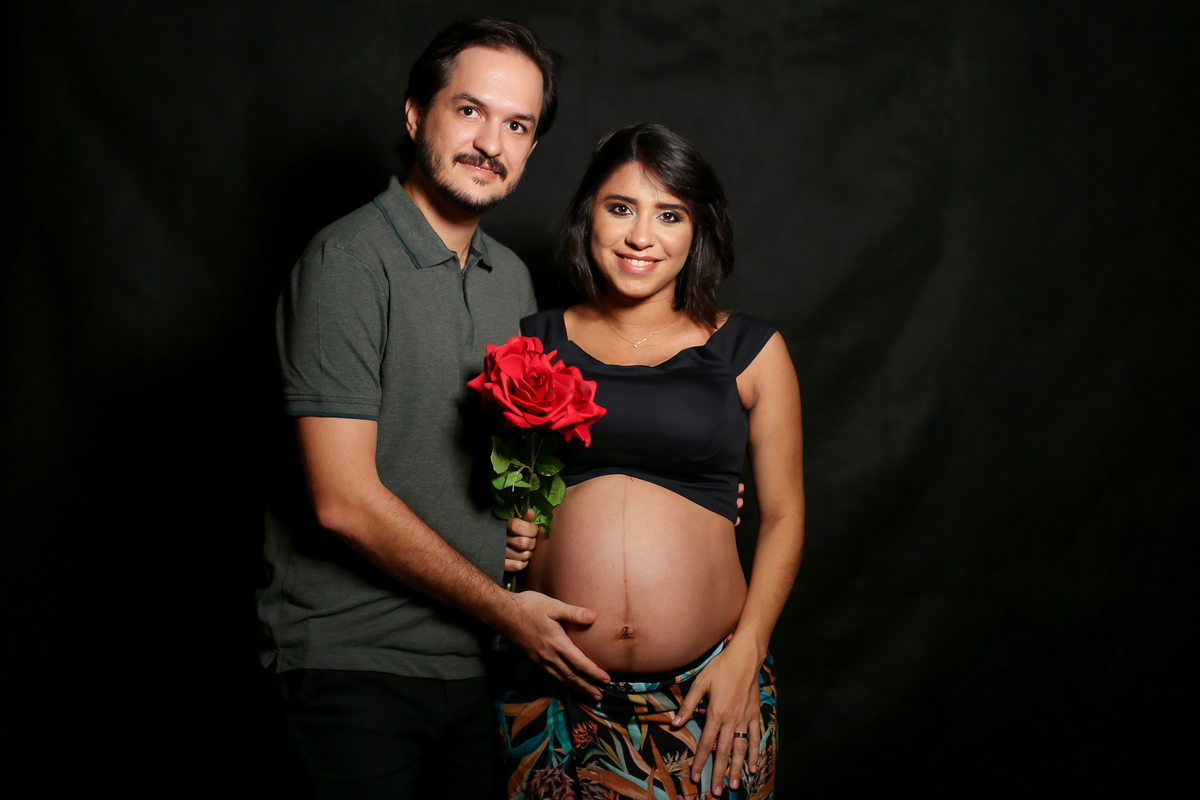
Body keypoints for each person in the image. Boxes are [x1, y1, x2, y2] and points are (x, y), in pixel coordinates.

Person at [257, 19, 611, 800]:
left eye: (516, 125)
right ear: (416, 114)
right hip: (354, 662)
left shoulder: (508, 279)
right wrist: (505, 608)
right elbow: (343, 501)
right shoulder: (348, 261)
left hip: (475, 665)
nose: (492, 142)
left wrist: (520, 522)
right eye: (470, 111)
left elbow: (489, 456)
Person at [497, 123, 805, 800]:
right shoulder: (531, 342)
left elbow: (783, 515)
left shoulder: (751, 349)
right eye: (620, 208)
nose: (642, 237)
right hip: (554, 696)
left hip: (706, 692)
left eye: (669, 215)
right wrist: (510, 532)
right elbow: (503, 491)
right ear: (589, 216)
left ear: (698, 230)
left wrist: (747, 652)